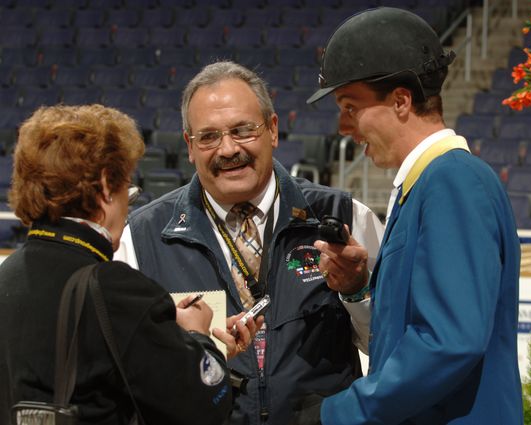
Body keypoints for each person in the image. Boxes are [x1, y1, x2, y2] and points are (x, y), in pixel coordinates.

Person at [114, 61, 384, 425]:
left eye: (243, 130)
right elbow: (126, 373)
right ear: (189, 147)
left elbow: (388, 346)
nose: (227, 149)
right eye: (208, 137)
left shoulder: (345, 217)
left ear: (273, 130)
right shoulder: (141, 237)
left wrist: (356, 291)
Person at [307, 7, 523, 425]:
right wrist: (358, 288)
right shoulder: (430, 183)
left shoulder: (452, 181)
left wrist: (340, 412)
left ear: (401, 100)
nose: (342, 126)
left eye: (350, 106)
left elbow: (449, 341)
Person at [0, 104, 260, 425]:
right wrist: (197, 337)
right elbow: (206, 405)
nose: (128, 206)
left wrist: (163, 330)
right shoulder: (113, 289)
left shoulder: (8, 274)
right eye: (129, 191)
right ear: (108, 186)